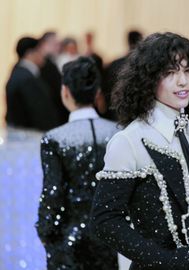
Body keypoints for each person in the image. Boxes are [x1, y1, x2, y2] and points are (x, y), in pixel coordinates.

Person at [90, 32, 189, 270]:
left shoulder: (186, 127)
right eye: (170, 73)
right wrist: (169, 261)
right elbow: (104, 221)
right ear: (148, 80)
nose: (183, 81)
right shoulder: (129, 140)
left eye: (187, 71)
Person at [35, 57, 119, 269]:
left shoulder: (55, 138)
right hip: (110, 237)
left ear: (65, 91)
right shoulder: (117, 132)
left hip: (68, 239)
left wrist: (46, 233)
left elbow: (52, 193)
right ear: (97, 92)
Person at [6, 36, 60, 131]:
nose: (43, 54)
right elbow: (39, 113)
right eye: (40, 50)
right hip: (29, 136)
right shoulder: (26, 78)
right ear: (30, 53)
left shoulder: (22, 73)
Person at [101, 30, 143, 121]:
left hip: (115, 110)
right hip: (138, 112)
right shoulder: (144, 65)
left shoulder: (115, 63)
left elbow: (106, 88)